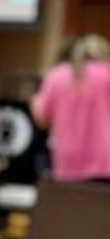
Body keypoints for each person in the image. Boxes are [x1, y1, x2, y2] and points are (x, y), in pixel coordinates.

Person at [31, 33, 110, 182]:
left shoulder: (57, 76)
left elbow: (42, 119)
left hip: (67, 162)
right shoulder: (107, 74)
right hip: (105, 162)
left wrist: (34, 101)